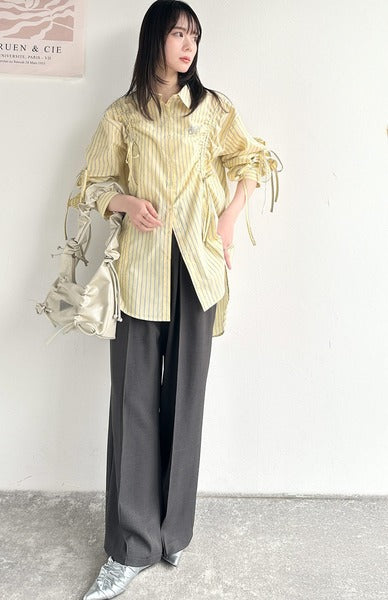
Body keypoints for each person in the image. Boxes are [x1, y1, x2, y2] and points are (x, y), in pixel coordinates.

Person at [66, 2, 283, 598]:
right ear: (154, 39)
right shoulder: (122, 114)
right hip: (139, 272)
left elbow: (253, 159)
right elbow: (90, 185)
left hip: (196, 269)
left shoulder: (213, 109)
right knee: (133, 403)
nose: (188, 45)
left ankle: (171, 535)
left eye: (194, 36)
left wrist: (230, 218)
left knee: (185, 401)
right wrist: (126, 203)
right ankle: (130, 548)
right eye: (177, 33)